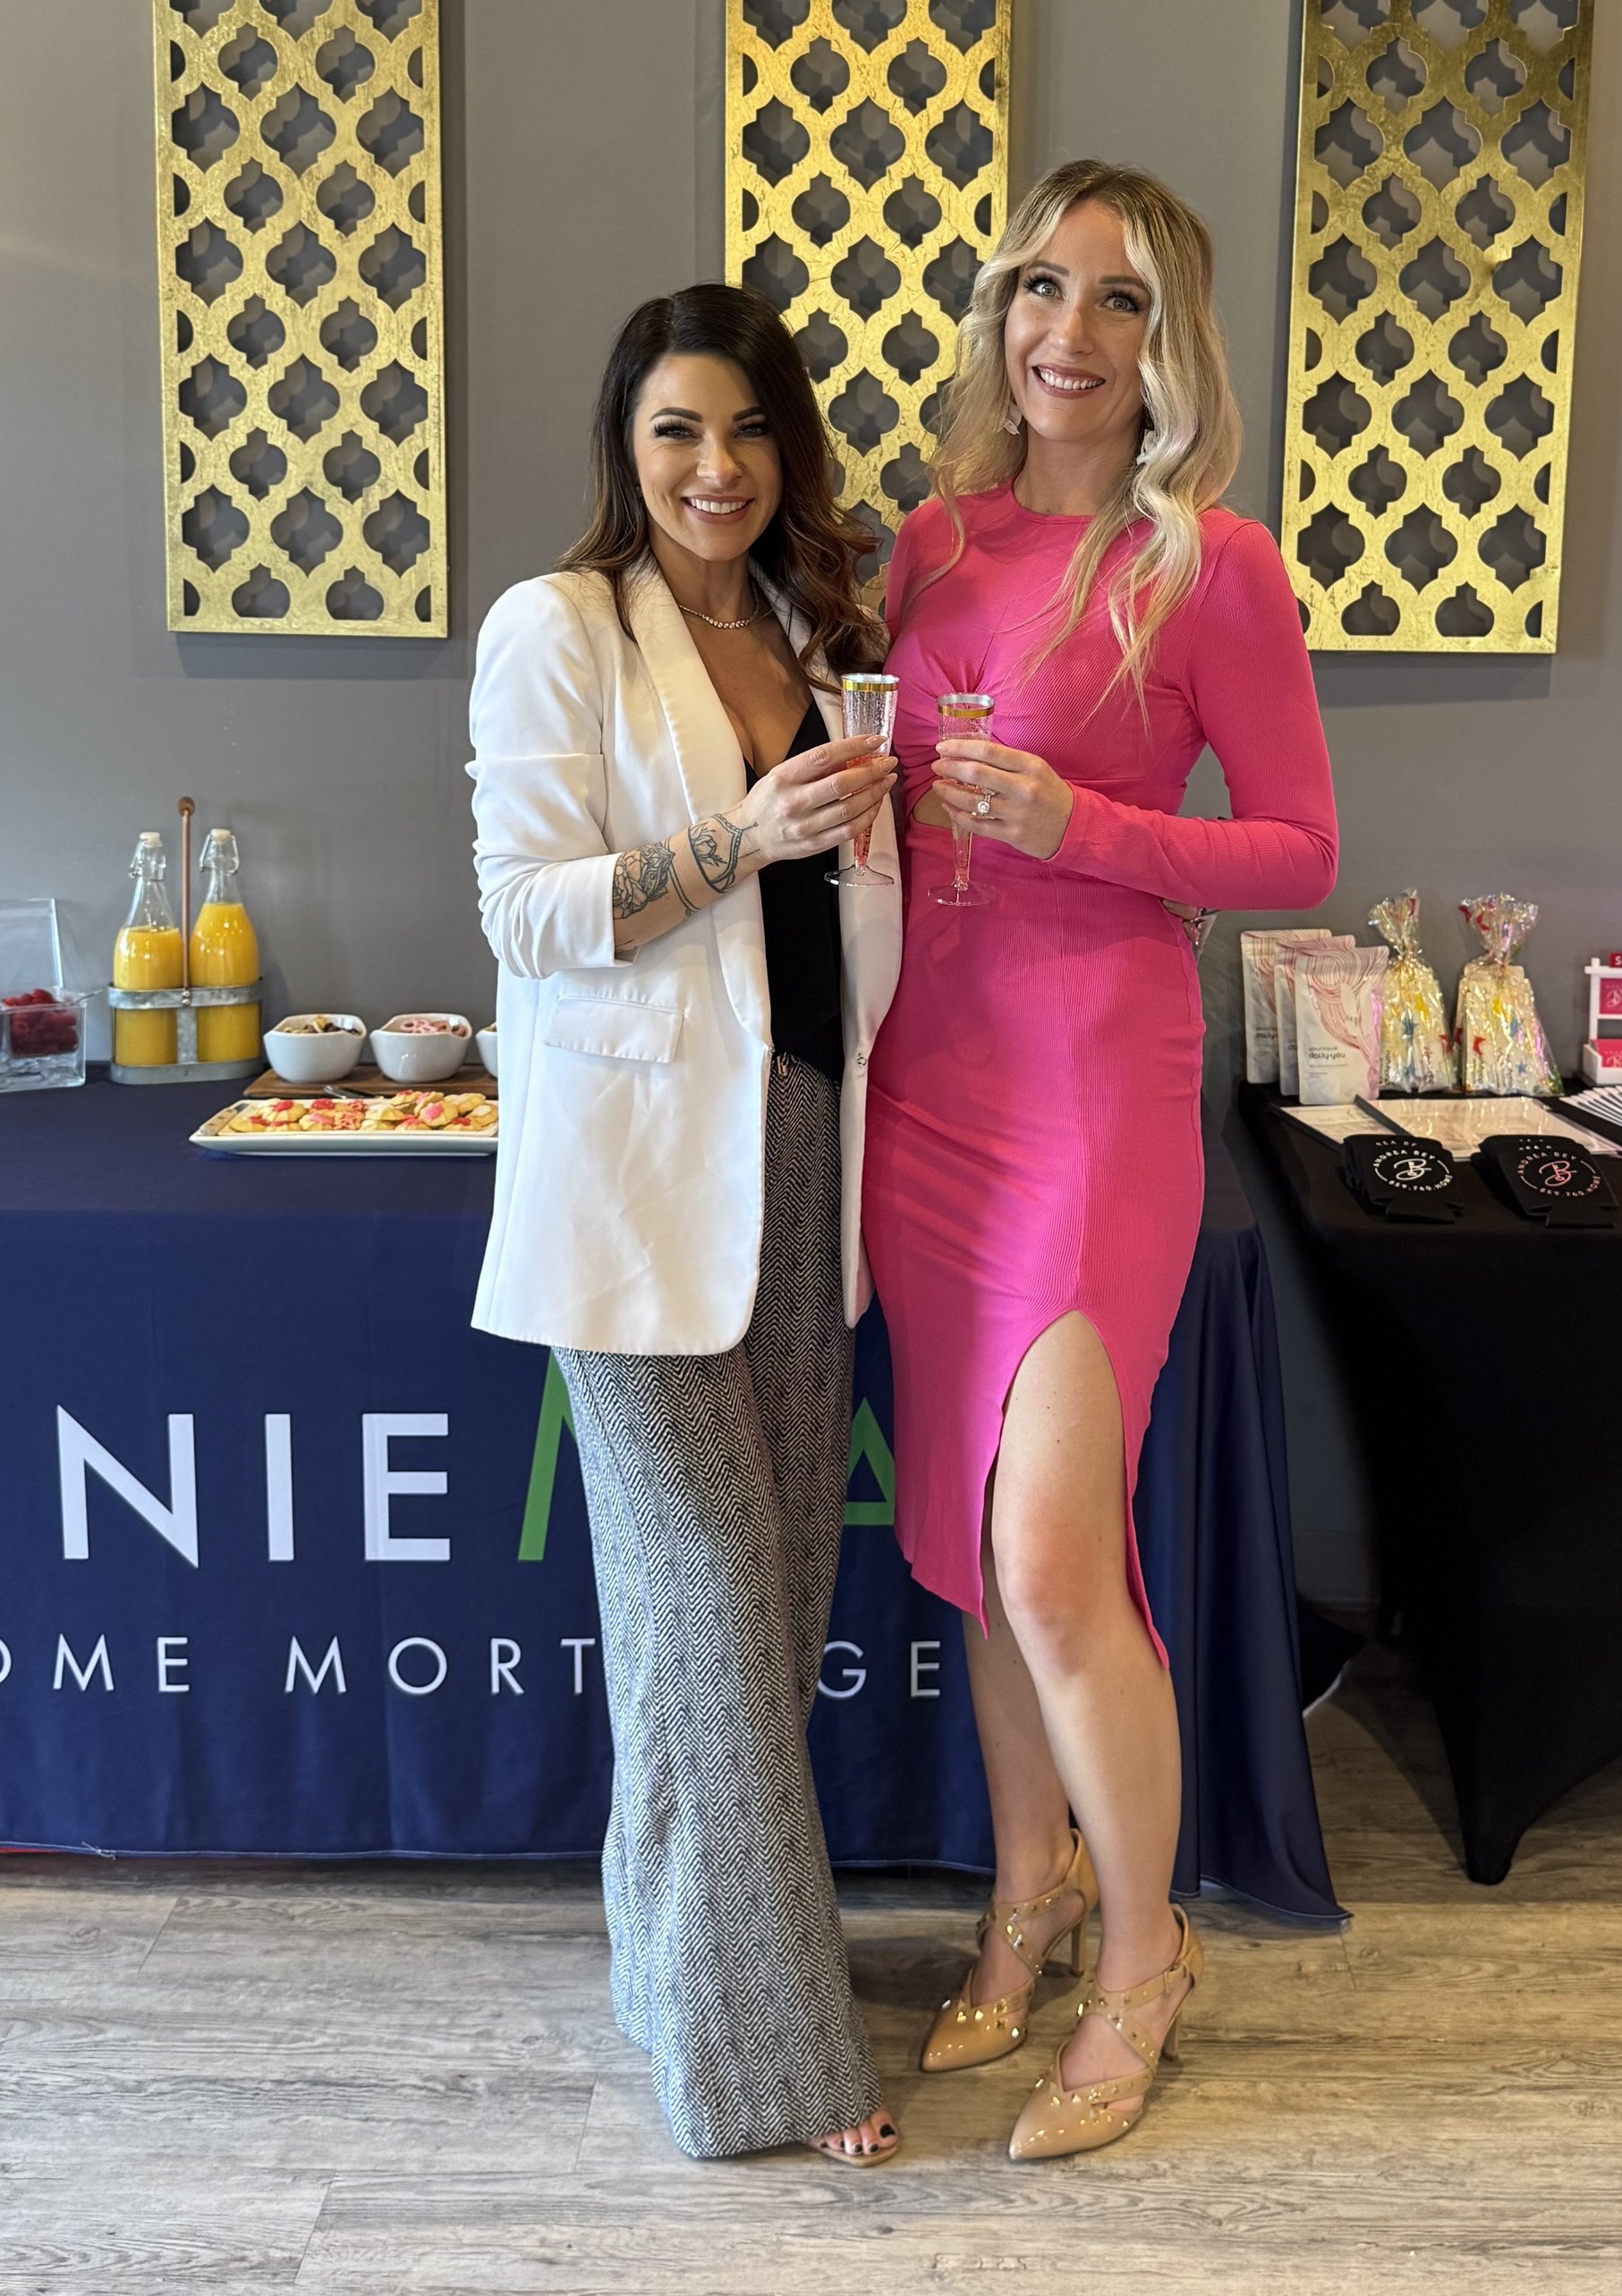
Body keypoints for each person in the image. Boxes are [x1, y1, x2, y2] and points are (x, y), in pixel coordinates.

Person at [862, 159, 1338, 2161]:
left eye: (1117, 300)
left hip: (1091, 1082)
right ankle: (1023, 1887)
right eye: (1036, 287)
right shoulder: (925, 544)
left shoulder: (1209, 563)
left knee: (1056, 1547)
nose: (1064, 330)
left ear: (1170, 345)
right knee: (979, 1543)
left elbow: (1301, 847)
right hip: (925, 1085)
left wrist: (1082, 822)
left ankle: (1142, 1950)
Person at [467, 285, 904, 2166]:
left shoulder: (820, 629)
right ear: (622, 445)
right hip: (632, 1189)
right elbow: (521, 908)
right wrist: (742, 835)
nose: (713, 468)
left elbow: (847, 921)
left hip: (807, 1152)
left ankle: (671, 1970)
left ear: (786, 447)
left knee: (748, 1617)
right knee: (717, 1606)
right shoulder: (556, 626)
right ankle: (775, 2069)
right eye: (673, 431)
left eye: (744, 431)